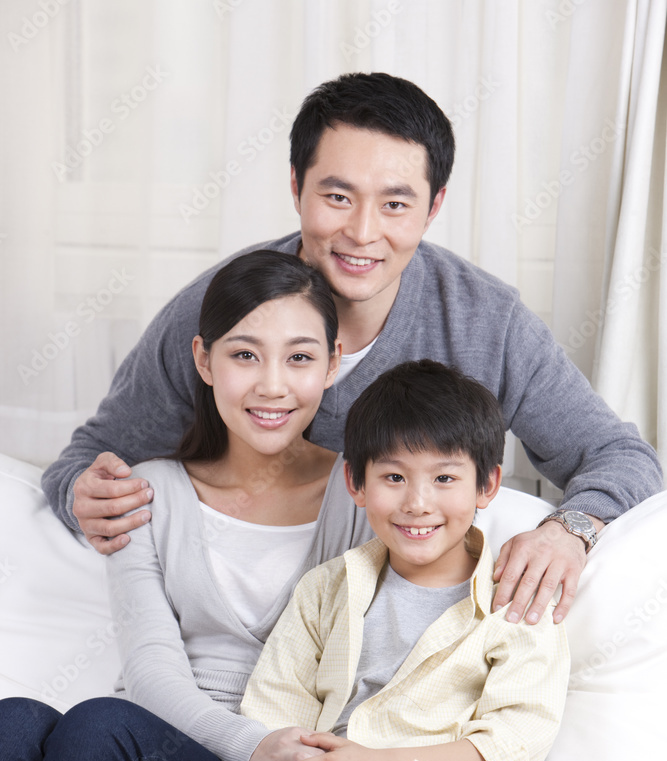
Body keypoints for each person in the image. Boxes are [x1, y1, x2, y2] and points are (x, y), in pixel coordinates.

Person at [42, 71, 661, 636]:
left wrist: (570, 529)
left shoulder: (486, 321)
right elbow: (83, 462)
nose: (363, 233)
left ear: (433, 206)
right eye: (337, 197)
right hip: (227, 636)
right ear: (296, 187)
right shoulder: (220, 308)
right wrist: (83, 495)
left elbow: (623, 458)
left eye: (395, 203)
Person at [126, 360, 571, 761]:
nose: (417, 503)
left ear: (487, 485)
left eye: (445, 478)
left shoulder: (515, 600)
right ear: (355, 484)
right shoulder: (329, 586)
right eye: (393, 478)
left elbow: (513, 742)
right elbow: (274, 707)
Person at [0, 250, 375, 761]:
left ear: (333, 363)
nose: (272, 385)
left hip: (248, 760)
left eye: (299, 357)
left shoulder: (361, 494)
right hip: (162, 739)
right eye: (244, 355)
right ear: (204, 360)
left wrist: (270, 747)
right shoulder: (148, 493)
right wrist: (249, 744)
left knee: (101, 728)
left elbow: (393, 654)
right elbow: (149, 667)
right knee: (12, 724)